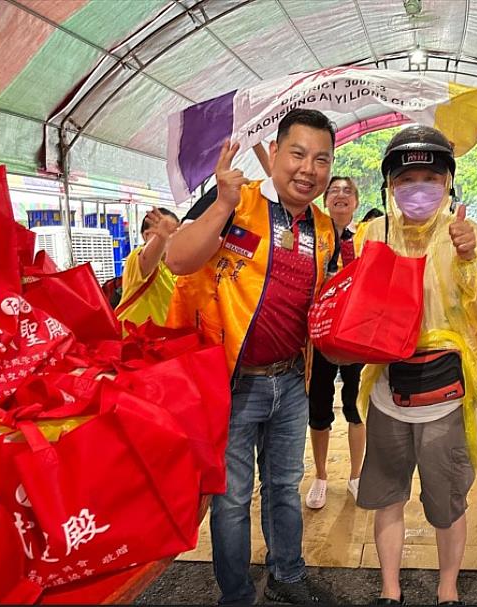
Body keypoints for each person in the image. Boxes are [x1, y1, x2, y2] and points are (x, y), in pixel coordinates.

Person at [165, 109, 338, 607]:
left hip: (290, 384)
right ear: (276, 154)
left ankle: (287, 574)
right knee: (232, 499)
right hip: (232, 383)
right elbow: (178, 260)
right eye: (298, 154)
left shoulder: (323, 229)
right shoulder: (236, 203)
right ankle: (237, 594)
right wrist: (220, 204)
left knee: (285, 487)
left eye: (321, 159)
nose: (308, 169)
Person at [355, 125, 477, 605]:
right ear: (390, 186)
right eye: (407, 178)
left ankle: (447, 586)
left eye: (430, 176)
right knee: (386, 494)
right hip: (389, 390)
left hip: (445, 398)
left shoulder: (474, 239)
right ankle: (390, 587)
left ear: (449, 182)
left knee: (446, 501)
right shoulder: (374, 234)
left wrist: (469, 259)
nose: (418, 187)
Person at [305, 176, 367, 509]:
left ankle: (357, 475)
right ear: (325, 201)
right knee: (319, 407)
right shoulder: (315, 238)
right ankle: (320, 475)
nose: (341, 195)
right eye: (334, 191)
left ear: (356, 201)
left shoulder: (365, 241)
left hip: (356, 337)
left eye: (348, 191)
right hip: (320, 338)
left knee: (356, 406)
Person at [115, 207, 179, 329]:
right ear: (145, 236)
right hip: (132, 341)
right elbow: (146, 259)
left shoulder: (176, 268)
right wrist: (161, 238)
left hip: (160, 342)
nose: (168, 237)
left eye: (172, 233)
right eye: (159, 231)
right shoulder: (137, 257)